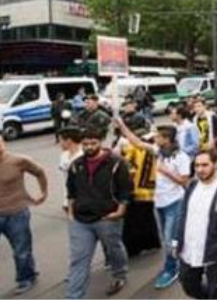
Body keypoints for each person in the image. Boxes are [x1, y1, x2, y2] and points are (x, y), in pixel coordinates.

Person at [115, 120, 191, 289]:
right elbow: (136, 141)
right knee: (167, 238)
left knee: (169, 239)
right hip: (159, 203)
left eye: (157, 136)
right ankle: (179, 259)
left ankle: (171, 269)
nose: (154, 138)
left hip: (175, 202)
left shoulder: (181, 157)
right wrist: (121, 125)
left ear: (167, 139)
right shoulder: (157, 151)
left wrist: (166, 171)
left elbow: (184, 182)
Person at [0, 134, 48, 299]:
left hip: (16, 214)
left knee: (22, 251)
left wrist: (43, 192)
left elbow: (40, 172)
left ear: (4, 145)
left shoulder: (19, 160)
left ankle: (27, 278)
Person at [65, 128, 133, 300]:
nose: (89, 147)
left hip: (107, 218)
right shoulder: (76, 165)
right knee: (79, 259)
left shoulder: (117, 163)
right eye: (85, 144)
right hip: (81, 221)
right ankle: (74, 296)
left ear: (101, 142)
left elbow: (126, 191)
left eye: (93, 143)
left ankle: (119, 275)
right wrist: (71, 215)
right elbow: (71, 192)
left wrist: (119, 211)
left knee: (114, 248)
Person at [175, 149, 217, 300]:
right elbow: (183, 214)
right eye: (197, 165)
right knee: (188, 284)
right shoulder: (192, 185)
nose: (200, 169)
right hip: (189, 247)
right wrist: (177, 239)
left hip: (215, 250)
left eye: (205, 165)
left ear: (216, 164)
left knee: (216, 291)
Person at [114, 122, 161, 258]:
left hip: (135, 190)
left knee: (133, 222)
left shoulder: (132, 149)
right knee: (147, 219)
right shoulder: (150, 148)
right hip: (147, 191)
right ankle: (151, 243)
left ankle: (134, 248)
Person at [57, 127, 84, 210]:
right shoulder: (64, 155)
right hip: (69, 198)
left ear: (68, 140)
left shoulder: (83, 155)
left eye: (60, 140)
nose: (59, 143)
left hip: (82, 200)